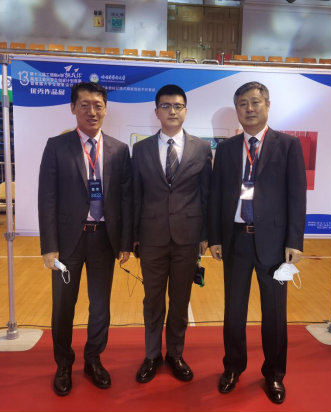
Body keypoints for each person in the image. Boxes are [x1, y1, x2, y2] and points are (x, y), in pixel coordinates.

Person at [208, 82, 307, 404]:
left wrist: (294, 240)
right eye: (242, 104)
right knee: (234, 312)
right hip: (235, 240)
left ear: (267, 105)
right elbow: (216, 196)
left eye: (254, 102)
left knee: (275, 315)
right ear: (237, 109)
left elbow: (297, 196)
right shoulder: (226, 149)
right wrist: (215, 237)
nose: (249, 109)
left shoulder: (288, 145)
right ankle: (233, 367)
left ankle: (274, 374)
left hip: (275, 244)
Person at [38, 82, 133, 396]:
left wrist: (125, 242)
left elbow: (126, 200)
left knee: (100, 306)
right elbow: (47, 199)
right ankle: (63, 363)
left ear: (105, 109)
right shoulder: (57, 146)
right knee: (64, 306)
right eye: (84, 105)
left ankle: (93, 359)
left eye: (98, 105)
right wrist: (49, 246)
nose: (92, 111)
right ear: (73, 108)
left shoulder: (120, 150)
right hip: (68, 243)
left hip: (104, 239)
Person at [132, 85, 213, 384]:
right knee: (153, 302)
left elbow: (206, 195)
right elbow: (135, 196)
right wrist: (133, 236)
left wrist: (205, 234)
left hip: (187, 239)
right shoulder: (140, 149)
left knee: (180, 301)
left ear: (186, 111)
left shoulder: (201, 148)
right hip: (151, 238)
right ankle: (152, 355)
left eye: (178, 106)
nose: (172, 111)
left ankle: (175, 354)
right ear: (156, 112)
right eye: (165, 106)